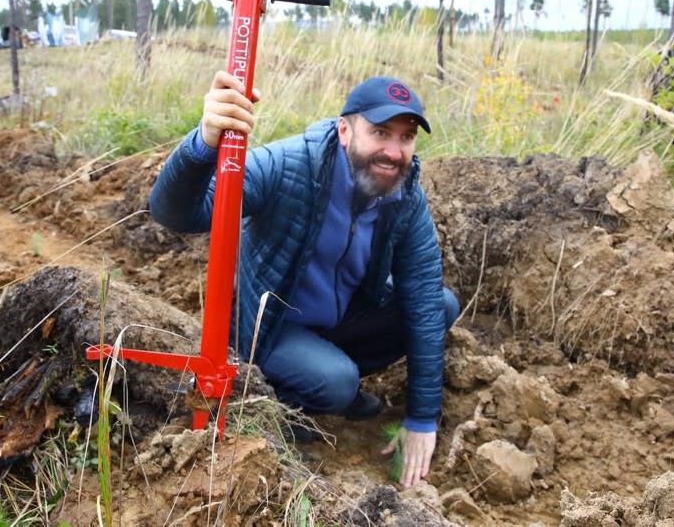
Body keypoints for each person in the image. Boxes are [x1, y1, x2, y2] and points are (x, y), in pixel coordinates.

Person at [149, 72, 459, 488]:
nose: (393, 151)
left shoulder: (404, 197)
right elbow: (176, 213)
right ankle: (276, 402)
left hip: (338, 319)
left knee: (441, 306)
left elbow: (422, 296)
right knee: (337, 382)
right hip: (269, 327)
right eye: (380, 132)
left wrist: (422, 418)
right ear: (345, 130)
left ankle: (325, 377)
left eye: (406, 137)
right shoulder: (287, 166)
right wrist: (203, 141)